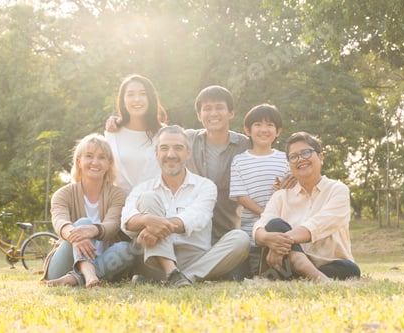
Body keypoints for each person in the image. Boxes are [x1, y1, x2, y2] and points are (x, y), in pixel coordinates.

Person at [121, 125, 249, 287]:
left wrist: (155, 226)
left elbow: (196, 218)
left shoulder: (205, 186)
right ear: (157, 154)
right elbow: (126, 221)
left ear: (188, 153)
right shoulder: (143, 188)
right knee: (149, 198)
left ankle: (180, 277)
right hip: (154, 261)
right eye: (164, 148)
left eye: (178, 148)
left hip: (196, 258)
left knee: (240, 238)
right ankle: (171, 272)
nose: (171, 154)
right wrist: (147, 219)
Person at [253, 131, 361, 282]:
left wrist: (280, 243)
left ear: (321, 157)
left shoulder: (337, 190)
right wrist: (267, 239)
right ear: (289, 164)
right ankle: (308, 271)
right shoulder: (281, 196)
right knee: (275, 224)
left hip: (328, 263)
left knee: (350, 270)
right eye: (294, 156)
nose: (301, 159)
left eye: (306, 152)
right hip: (288, 263)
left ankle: (301, 272)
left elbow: (318, 225)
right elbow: (260, 227)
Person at [42, 133, 135, 288]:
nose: (95, 162)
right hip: (63, 265)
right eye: (89, 156)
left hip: (105, 261)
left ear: (108, 163)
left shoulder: (118, 195)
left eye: (102, 157)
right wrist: (77, 236)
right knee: (83, 223)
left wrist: (93, 230)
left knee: (126, 248)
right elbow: (60, 221)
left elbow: (113, 224)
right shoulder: (62, 194)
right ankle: (88, 274)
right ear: (79, 161)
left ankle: (74, 279)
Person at [229, 104, 290, 278]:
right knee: (248, 271)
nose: (264, 129)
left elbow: (290, 190)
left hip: (279, 229)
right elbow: (241, 196)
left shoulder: (284, 159)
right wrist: (265, 213)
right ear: (247, 130)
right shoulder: (239, 161)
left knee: (277, 270)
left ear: (278, 131)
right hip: (251, 232)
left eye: (270, 125)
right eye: (258, 125)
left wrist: (281, 193)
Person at [184, 85, 250, 244]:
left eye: (219, 107)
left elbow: (267, 156)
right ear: (199, 115)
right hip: (191, 229)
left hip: (228, 231)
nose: (213, 113)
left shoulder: (245, 145)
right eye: (207, 108)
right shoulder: (188, 139)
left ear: (231, 113)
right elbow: (157, 134)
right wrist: (119, 122)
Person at [105, 74, 168, 194]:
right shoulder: (112, 134)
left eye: (143, 94)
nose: (137, 99)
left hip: (157, 205)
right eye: (130, 95)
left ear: (151, 98)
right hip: (120, 205)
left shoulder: (164, 134)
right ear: (123, 101)